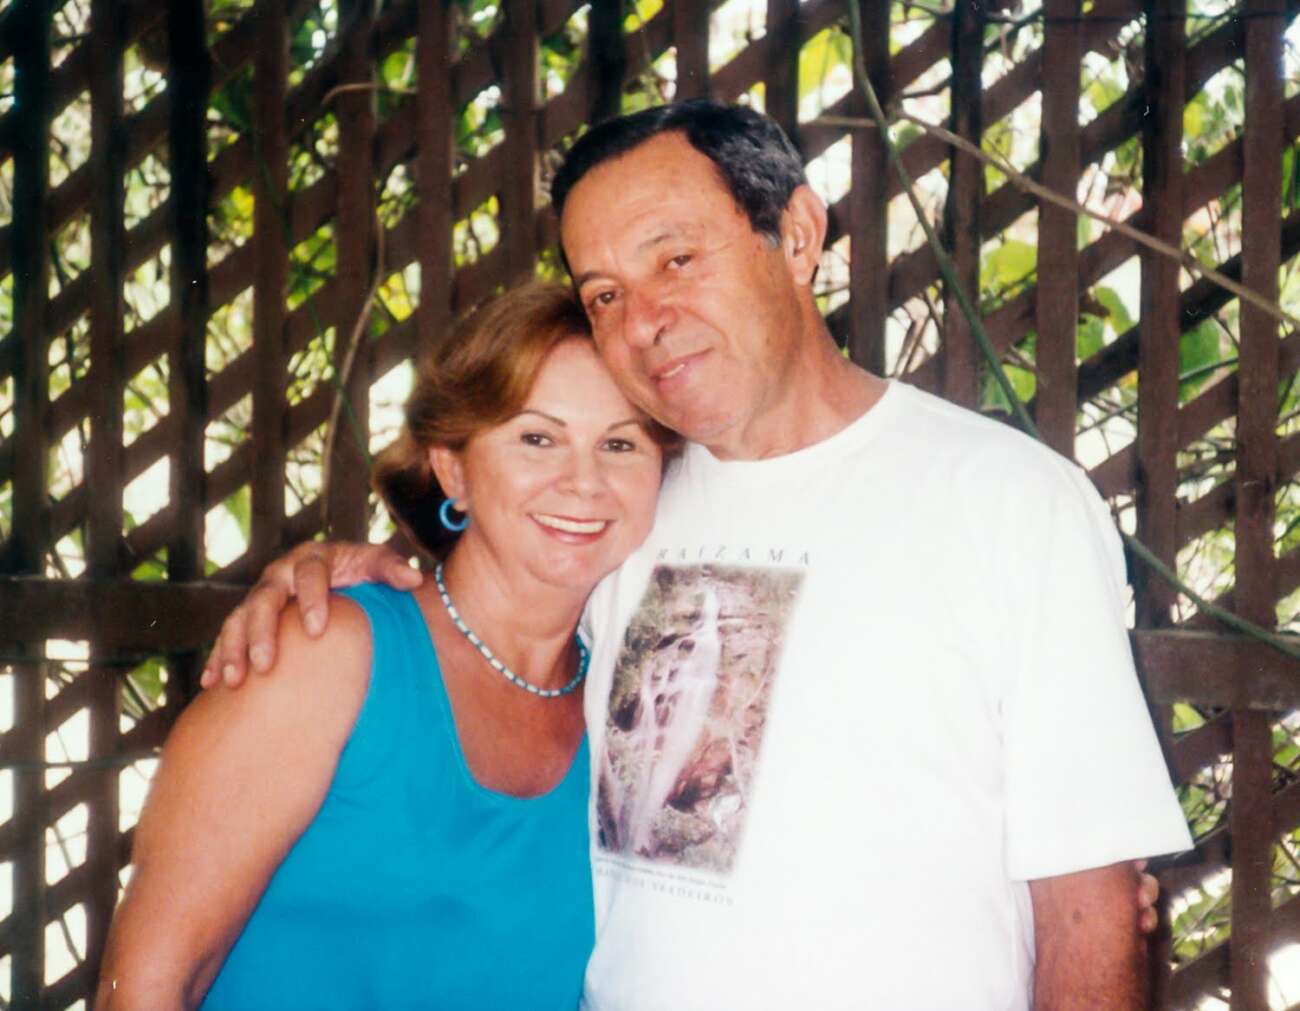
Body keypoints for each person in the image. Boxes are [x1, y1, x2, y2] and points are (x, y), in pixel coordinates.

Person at [204, 101, 1190, 1009]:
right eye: (604, 293)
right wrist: (349, 570)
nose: (643, 323)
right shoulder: (622, 505)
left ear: (795, 235)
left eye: (675, 260)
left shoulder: (1007, 500)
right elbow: (483, 626)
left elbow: (1089, 905)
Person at [95, 282, 674, 1009]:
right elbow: (143, 984)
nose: (583, 482)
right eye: (537, 437)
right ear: (453, 468)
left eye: (620, 444)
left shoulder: (629, 709)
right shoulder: (327, 653)